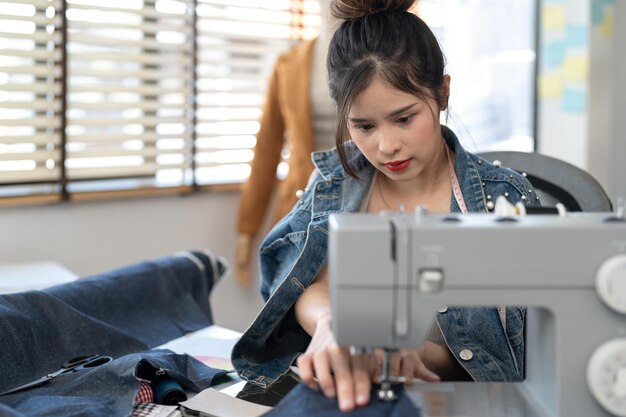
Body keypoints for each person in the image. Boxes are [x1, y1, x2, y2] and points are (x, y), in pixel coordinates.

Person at [232, 0, 541, 412]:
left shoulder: (501, 201)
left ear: (443, 92)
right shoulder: (333, 185)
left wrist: (405, 351)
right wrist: (329, 324)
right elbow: (304, 283)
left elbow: (518, 361)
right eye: (363, 126)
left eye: (404, 118)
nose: (386, 146)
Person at [234, 0, 339, 287]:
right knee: (291, 310)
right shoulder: (289, 64)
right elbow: (267, 148)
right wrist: (248, 227)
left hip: (362, 206)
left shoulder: (380, 56)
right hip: (298, 207)